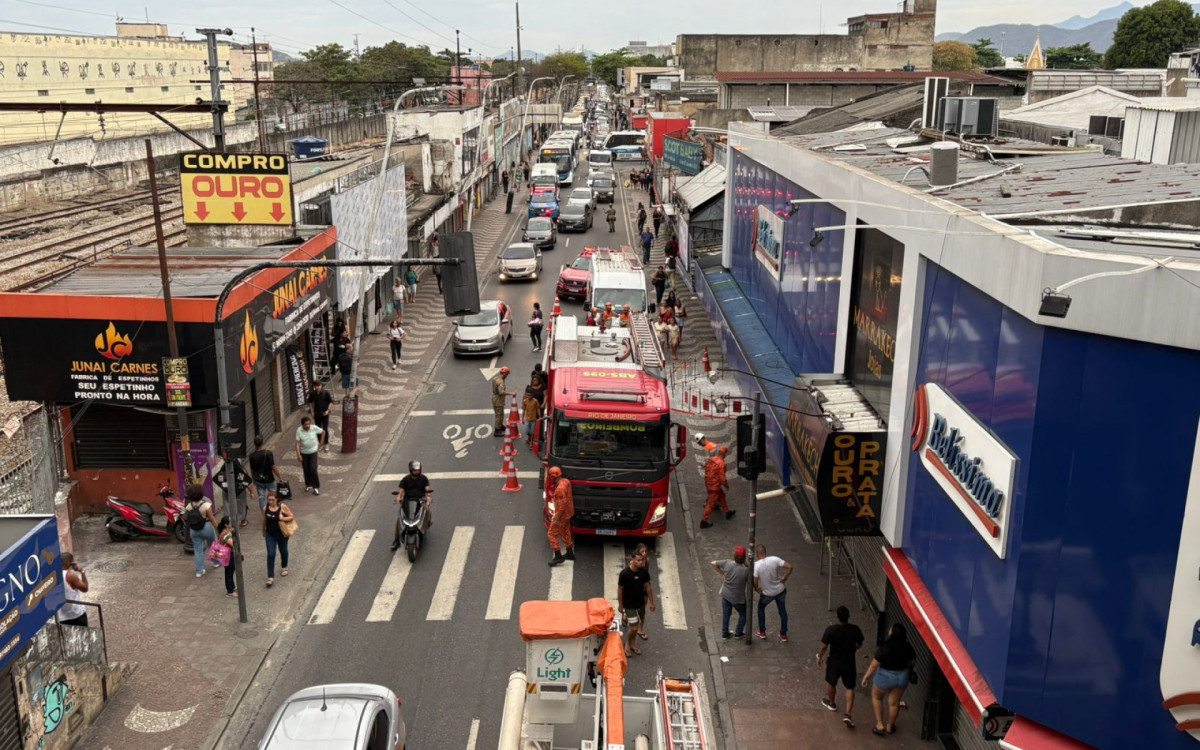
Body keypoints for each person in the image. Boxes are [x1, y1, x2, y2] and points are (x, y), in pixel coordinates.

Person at [862, 623, 917, 736]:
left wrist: (866, 677)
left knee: (877, 697)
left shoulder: (885, 647)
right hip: (902, 677)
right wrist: (909, 670)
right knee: (894, 702)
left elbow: (874, 665)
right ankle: (890, 726)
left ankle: (880, 724)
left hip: (884, 677)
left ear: (892, 632)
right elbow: (913, 661)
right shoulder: (907, 646)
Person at [820, 605, 866, 728]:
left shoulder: (831, 629)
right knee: (850, 687)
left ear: (838, 617)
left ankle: (832, 703)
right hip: (849, 662)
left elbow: (824, 646)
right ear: (848, 616)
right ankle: (848, 714)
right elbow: (860, 644)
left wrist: (819, 656)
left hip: (834, 661)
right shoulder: (855, 629)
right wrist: (852, 650)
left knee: (831, 682)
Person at [618, 546, 655, 655]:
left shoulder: (643, 572)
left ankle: (633, 644)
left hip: (640, 602)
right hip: (629, 604)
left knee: (639, 621)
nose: (640, 562)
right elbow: (620, 589)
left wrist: (652, 602)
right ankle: (628, 644)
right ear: (632, 560)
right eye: (638, 560)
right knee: (634, 628)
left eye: (642, 560)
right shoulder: (624, 574)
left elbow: (648, 586)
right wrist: (621, 605)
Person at [754, 545, 793, 642]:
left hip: (767, 594)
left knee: (761, 609)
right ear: (765, 552)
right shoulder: (774, 559)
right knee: (782, 611)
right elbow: (790, 567)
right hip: (780, 590)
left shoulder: (756, 565)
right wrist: (785, 577)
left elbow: (755, 581)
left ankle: (762, 632)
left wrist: (757, 589)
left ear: (757, 554)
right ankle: (783, 634)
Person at [391, 461, 432, 551]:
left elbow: (427, 488)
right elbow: (401, 490)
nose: (417, 472)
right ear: (411, 470)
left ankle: (426, 524)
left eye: (418, 470)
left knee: (427, 510)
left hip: (420, 499)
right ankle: (396, 540)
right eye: (415, 470)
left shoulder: (424, 478)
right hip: (407, 500)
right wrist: (399, 497)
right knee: (399, 520)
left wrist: (428, 496)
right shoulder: (406, 479)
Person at [710, 546, 749, 640]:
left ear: (734, 556)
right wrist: (746, 563)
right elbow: (751, 577)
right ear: (744, 558)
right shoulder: (745, 571)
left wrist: (722, 573)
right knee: (744, 614)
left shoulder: (727, 563)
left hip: (725, 594)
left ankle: (725, 633)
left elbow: (713, 563)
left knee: (726, 614)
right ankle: (738, 632)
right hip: (737, 598)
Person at [184, 484, 217, 578]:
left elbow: (184, 518)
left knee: (198, 549)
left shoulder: (188, 506)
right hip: (207, 527)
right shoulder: (206, 505)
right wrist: (218, 528)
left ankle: (199, 571)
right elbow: (211, 518)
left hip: (194, 530)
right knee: (212, 545)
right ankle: (215, 562)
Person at [262, 491, 295, 586]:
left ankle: (284, 566)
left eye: (272, 500)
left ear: (277, 499)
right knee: (271, 554)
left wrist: (283, 518)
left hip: (282, 534)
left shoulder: (282, 507)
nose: (271, 502)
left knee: (283, 550)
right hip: (270, 535)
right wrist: (263, 531)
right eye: (269, 500)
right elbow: (264, 520)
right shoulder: (265, 509)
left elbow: (291, 517)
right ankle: (270, 577)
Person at [546, 466, 575, 566]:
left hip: (562, 514)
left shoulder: (559, 490)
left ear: (553, 476)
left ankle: (558, 556)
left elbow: (561, 507)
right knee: (565, 531)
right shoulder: (566, 481)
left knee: (551, 533)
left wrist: (556, 519)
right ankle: (569, 552)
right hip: (569, 512)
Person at [248, 435, 284, 512]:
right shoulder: (268, 453)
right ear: (262, 443)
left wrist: (253, 479)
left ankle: (264, 513)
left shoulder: (252, 456)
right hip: (269, 479)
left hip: (259, 480)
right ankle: (275, 511)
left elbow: (252, 469)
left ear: (254, 444)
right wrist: (280, 477)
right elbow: (273, 467)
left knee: (261, 497)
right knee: (273, 495)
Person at [701, 446, 733, 528]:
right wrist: (726, 485)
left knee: (722, 496)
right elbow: (722, 478)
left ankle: (727, 512)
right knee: (710, 504)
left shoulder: (711, 459)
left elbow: (706, 468)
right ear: (725, 454)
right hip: (715, 486)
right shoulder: (722, 464)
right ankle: (704, 521)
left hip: (708, 483)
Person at [58, 552, 89, 627]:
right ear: (69, 563)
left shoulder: (52, 574)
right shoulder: (70, 575)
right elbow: (85, 588)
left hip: (61, 615)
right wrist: (82, 572)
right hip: (75, 613)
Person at [295, 416, 323, 495]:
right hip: (304, 452)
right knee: (306, 469)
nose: (308, 426)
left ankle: (316, 486)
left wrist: (321, 442)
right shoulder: (299, 430)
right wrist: (298, 454)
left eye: (309, 424)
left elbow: (323, 432)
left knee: (313, 468)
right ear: (302, 425)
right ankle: (308, 484)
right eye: (306, 424)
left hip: (313, 451)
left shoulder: (313, 428)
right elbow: (297, 443)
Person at [307, 381, 333, 453]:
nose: (318, 387)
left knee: (324, 429)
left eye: (319, 386)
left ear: (321, 386)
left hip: (325, 413)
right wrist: (312, 412)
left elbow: (330, 402)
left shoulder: (326, 393)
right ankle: (320, 443)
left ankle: (326, 443)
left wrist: (328, 410)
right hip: (317, 414)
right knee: (318, 429)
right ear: (314, 387)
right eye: (316, 386)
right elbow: (310, 402)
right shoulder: (312, 394)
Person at [216, 516, 238, 598]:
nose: (231, 523)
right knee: (229, 572)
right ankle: (230, 591)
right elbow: (233, 544)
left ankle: (231, 587)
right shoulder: (225, 535)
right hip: (228, 556)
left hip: (227, 555)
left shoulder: (226, 532)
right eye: (230, 522)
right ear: (226, 525)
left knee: (230, 572)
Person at [491, 367, 512, 436]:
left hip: (495, 398)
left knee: (501, 414)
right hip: (498, 400)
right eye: (507, 374)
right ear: (505, 374)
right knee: (499, 415)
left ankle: (500, 426)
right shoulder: (501, 382)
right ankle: (497, 430)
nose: (507, 376)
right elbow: (501, 392)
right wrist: (511, 394)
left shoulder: (496, 378)